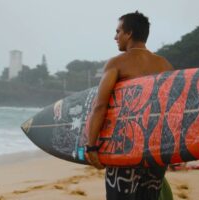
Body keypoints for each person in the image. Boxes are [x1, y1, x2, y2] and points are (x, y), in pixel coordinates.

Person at [86, 11, 173, 200]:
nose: (115, 37)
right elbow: (170, 111)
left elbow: (100, 106)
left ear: (129, 33)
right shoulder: (165, 65)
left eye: (118, 31)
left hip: (125, 148)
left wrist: (91, 146)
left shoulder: (117, 63)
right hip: (156, 150)